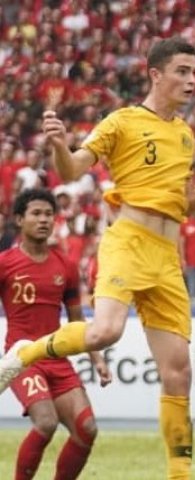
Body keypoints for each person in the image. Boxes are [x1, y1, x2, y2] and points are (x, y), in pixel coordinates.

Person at [0, 37, 195, 480]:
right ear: (155, 74)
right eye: (183, 71)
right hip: (127, 242)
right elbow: (71, 170)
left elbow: (184, 207)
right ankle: (26, 352)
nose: (192, 80)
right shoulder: (121, 122)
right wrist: (58, 145)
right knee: (104, 332)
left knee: (179, 373)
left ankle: (180, 475)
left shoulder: (185, 134)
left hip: (167, 257)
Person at [0, 189, 112, 480]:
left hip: (57, 358)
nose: (44, 220)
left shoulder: (66, 266)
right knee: (46, 422)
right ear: (19, 220)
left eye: (49, 214)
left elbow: (77, 319)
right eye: (36, 214)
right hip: (23, 358)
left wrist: (97, 358)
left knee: (87, 429)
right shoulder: (5, 264)